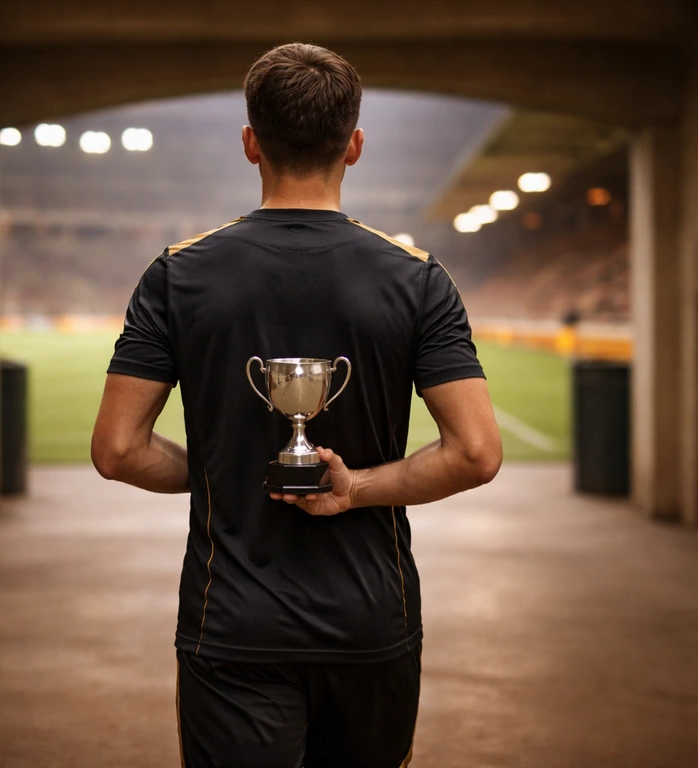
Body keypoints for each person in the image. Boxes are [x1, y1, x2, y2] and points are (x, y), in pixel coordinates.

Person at [91, 42, 503, 768]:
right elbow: (475, 452)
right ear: (355, 146)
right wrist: (359, 487)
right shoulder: (417, 279)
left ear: (251, 143)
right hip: (370, 622)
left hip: (234, 622)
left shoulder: (177, 275)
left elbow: (117, 449)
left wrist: (219, 470)